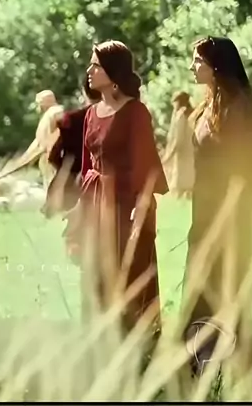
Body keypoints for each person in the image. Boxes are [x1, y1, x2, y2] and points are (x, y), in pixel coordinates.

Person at [65, 41, 168, 332]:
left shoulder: (136, 112)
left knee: (129, 274)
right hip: (95, 205)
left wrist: (141, 205)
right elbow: (87, 165)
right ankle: (98, 340)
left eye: (95, 65)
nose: (89, 70)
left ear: (113, 72)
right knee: (94, 274)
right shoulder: (91, 114)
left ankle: (137, 342)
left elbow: (145, 162)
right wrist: (79, 208)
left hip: (126, 205)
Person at [182, 37, 252, 375]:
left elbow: (244, 170)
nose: (192, 66)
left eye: (198, 61)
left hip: (228, 218)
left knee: (224, 290)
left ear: (217, 66)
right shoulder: (207, 106)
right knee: (200, 289)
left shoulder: (239, 108)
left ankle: (232, 369)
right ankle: (202, 365)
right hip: (204, 213)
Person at [43, 77, 101, 219]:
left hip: (73, 187)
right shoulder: (122, 119)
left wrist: (66, 171)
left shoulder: (72, 120)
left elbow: (53, 157)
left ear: (84, 92)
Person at [19, 90, 64, 188]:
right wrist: (24, 159)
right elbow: (38, 141)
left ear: (45, 102)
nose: (38, 106)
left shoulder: (57, 112)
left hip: (55, 161)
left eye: (39, 103)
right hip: (47, 162)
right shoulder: (47, 117)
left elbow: (62, 133)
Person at [162, 91, 195, 199]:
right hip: (192, 153)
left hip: (182, 155)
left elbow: (178, 139)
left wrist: (168, 156)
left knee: (180, 188)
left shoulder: (181, 115)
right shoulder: (193, 113)